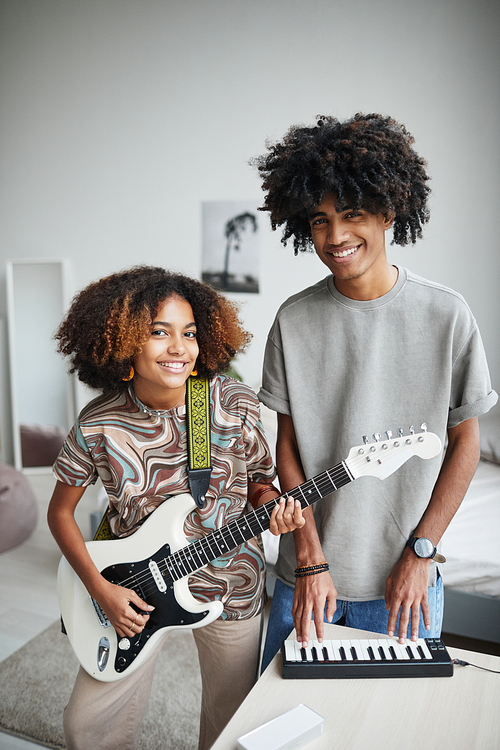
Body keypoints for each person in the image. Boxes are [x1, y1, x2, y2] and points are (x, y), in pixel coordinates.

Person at [253, 113, 498, 672]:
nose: (336, 237)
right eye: (319, 220)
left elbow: (464, 445)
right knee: (274, 719)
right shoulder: (293, 320)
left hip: (405, 580)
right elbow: (287, 449)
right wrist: (311, 558)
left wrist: (422, 552)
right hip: (308, 578)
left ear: (389, 211)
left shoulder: (447, 315)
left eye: (353, 214)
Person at [47, 265, 304, 750]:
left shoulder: (230, 402)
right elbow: (59, 513)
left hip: (231, 583)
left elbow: (261, 485)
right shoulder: (98, 424)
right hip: (132, 588)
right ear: (123, 341)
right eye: (158, 333)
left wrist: (275, 508)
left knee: (232, 725)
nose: (179, 348)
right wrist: (100, 589)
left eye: (188, 333)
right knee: (85, 727)